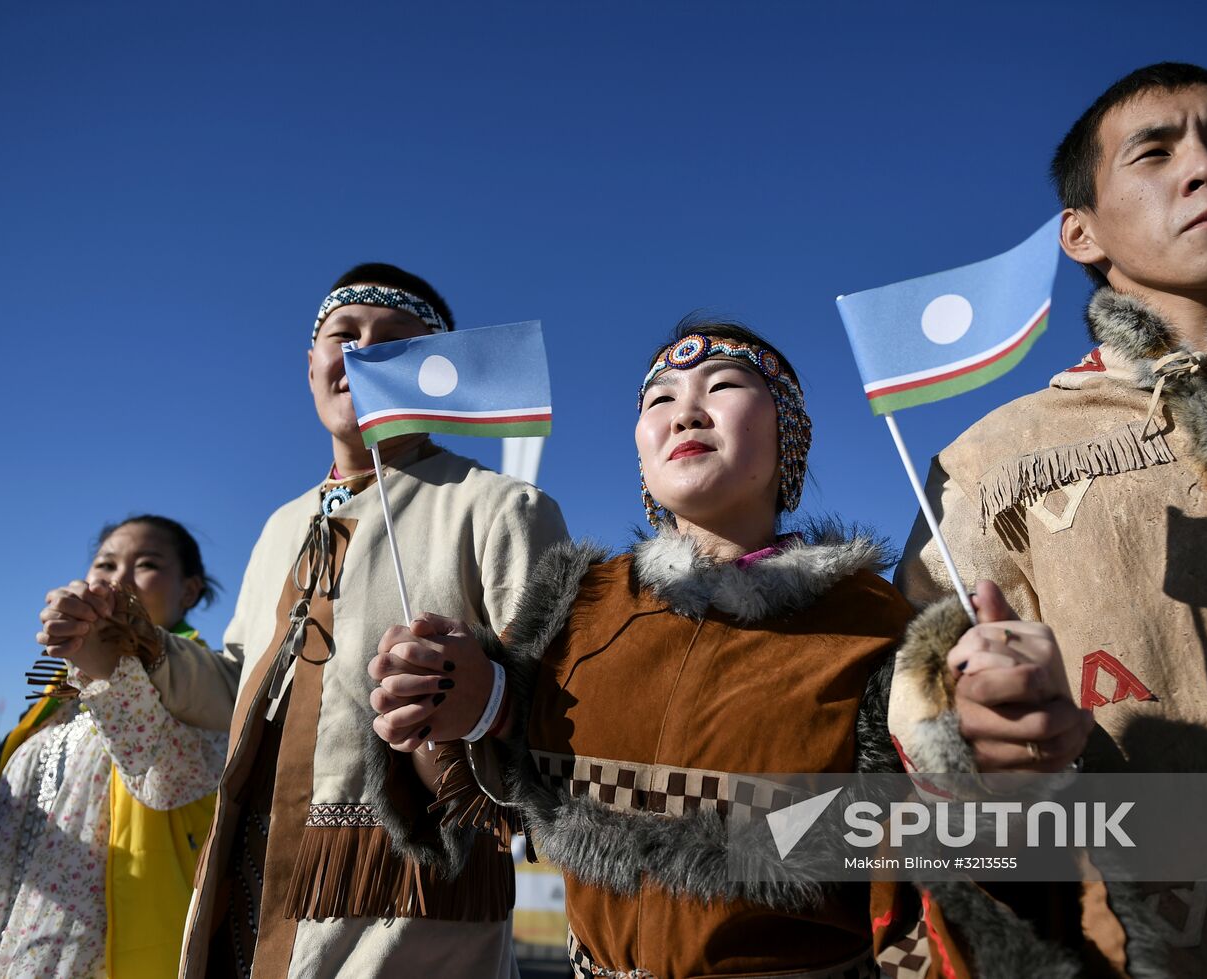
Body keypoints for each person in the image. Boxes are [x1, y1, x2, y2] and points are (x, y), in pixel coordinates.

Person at [369, 318, 1101, 977]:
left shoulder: (876, 625)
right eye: (659, 399)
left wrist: (977, 759)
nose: (686, 409)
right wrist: (473, 703)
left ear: (788, 432)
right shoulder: (575, 610)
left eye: (723, 385)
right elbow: (508, 807)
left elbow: (930, 862)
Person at [896, 62, 1207, 977]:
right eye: (1154, 152)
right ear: (1082, 233)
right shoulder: (995, 461)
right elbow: (920, 720)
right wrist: (978, 737)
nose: (1206, 168)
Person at [124, 263, 565, 978]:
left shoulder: (500, 508)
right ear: (311, 364)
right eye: (345, 334)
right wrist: (135, 642)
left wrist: (484, 701)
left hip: (406, 916)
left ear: (439, 372)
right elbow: (231, 690)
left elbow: (556, 724)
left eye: (396, 340)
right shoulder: (278, 526)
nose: (365, 353)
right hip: (244, 893)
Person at [0, 515, 226, 979]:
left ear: (189, 591)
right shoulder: (51, 704)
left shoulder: (205, 690)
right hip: (6, 932)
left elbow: (163, 774)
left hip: (103, 949)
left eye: (146, 563)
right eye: (106, 564)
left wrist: (102, 660)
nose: (118, 579)